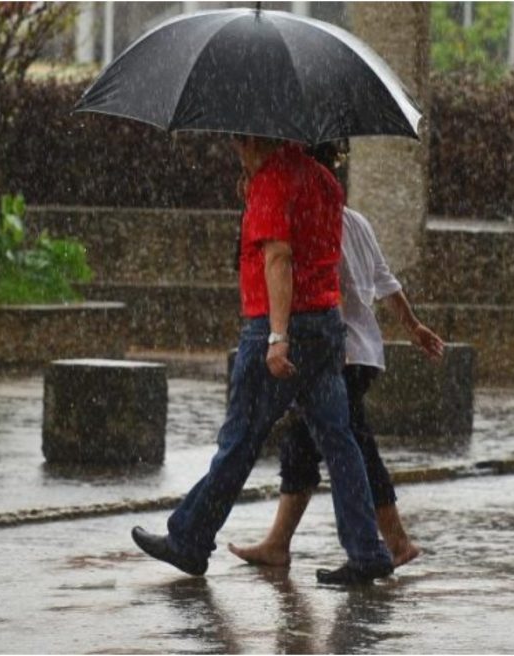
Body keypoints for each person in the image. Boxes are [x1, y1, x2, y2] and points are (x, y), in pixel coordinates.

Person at [132, 136, 395, 585]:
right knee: (339, 439)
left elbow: (278, 257)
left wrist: (277, 336)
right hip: (325, 325)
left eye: (238, 137)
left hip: (278, 326)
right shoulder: (324, 181)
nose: (234, 144)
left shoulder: (273, 181)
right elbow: (315, 250)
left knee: (240, 441)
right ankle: (367, 549)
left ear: (254, 136)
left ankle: (189, 539)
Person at [228, 141, 444, 569]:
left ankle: (391, 544)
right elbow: (385, 282)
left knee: (349, 446)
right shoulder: (356, 221)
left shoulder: (317, 222)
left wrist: (314, 343)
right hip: (364, 353)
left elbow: (329, 289)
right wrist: (413, 326)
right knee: (308, 445)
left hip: (339, 353)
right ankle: (281, 542)